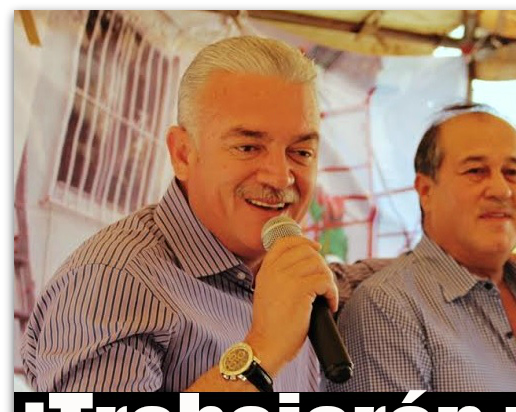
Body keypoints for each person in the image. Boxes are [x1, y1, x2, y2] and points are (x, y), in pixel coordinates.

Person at [21, 36, 387, 392]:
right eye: (248, 147)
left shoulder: (284, 277)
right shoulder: (113, 282)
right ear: (183, 154)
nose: (280, 177)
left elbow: (360, 278)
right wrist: (263, 350)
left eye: (301, 153)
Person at [327, 104, 516, 392]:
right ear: (426, 192)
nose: (501, 190)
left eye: (512, 172)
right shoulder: (389, 307)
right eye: (476, 171)